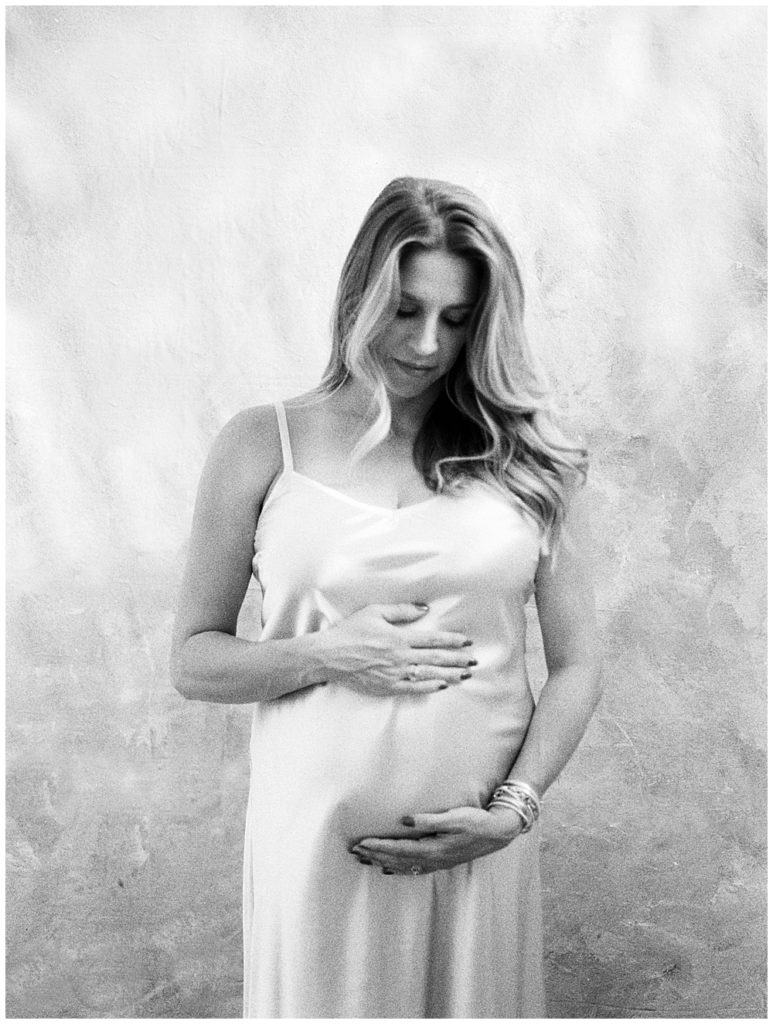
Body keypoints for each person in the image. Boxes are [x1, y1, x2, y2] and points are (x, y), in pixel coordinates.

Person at [170, 176, 603, 1018]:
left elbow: (579, 663)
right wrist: (327, 652)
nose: (426, 344)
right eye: (404, 310)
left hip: (476, 847)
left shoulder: (531, 459)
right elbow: (193, 661)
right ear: (360, 294)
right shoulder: (264, 442)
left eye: (457, 318)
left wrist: (513, 813)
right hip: (315, 846)